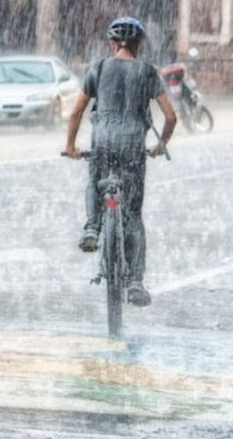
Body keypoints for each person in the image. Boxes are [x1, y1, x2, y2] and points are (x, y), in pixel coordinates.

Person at [63, 16, 177, 307]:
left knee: (94, 180)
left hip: (102, 141)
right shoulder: (148, 71)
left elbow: (76, 112)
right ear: (138, 45)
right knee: (133, 216)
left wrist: (70, 146)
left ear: (112, 43)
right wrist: (160, 145)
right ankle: (136, 281)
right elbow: (171, 116)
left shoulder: (99, 68)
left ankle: (92, 227)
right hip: (132, 147)